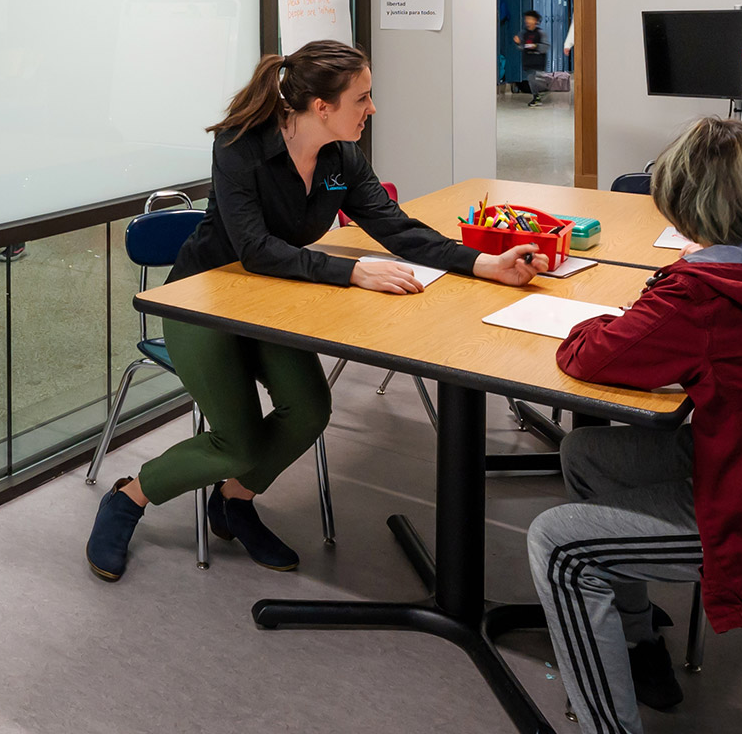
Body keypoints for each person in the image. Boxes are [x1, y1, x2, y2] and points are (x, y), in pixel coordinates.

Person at [87, 39, 541, 582]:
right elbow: (254, 249)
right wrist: (352, 271)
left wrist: (485, 263)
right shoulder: (241, 147)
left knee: (308, 411)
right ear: (321, 107)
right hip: (201, 303)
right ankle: (130, 496)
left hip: (277, 302)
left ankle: (233, 501)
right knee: (237, 442)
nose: (372, 110)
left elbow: (396, 228)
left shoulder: (341, 157)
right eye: (363, 99)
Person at [525, 118, 742, 734]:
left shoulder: (705, 292)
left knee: (559, 545)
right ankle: (637, 645)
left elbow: (589, 356)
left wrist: (639, 306)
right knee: (588, 452)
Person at [514, 10, 549, 106]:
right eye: (526, 19)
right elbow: (521, 47)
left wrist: (536, 46)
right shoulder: (523, 33)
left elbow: (545, 47)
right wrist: (518, 43)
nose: (528, 21)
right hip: (528, 61)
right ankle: (536, 97)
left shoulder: (541, 33)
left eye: (530, 19)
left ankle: (541, 92)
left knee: (537, 79)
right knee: (531, 78)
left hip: (538, 61)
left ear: (536, 21)